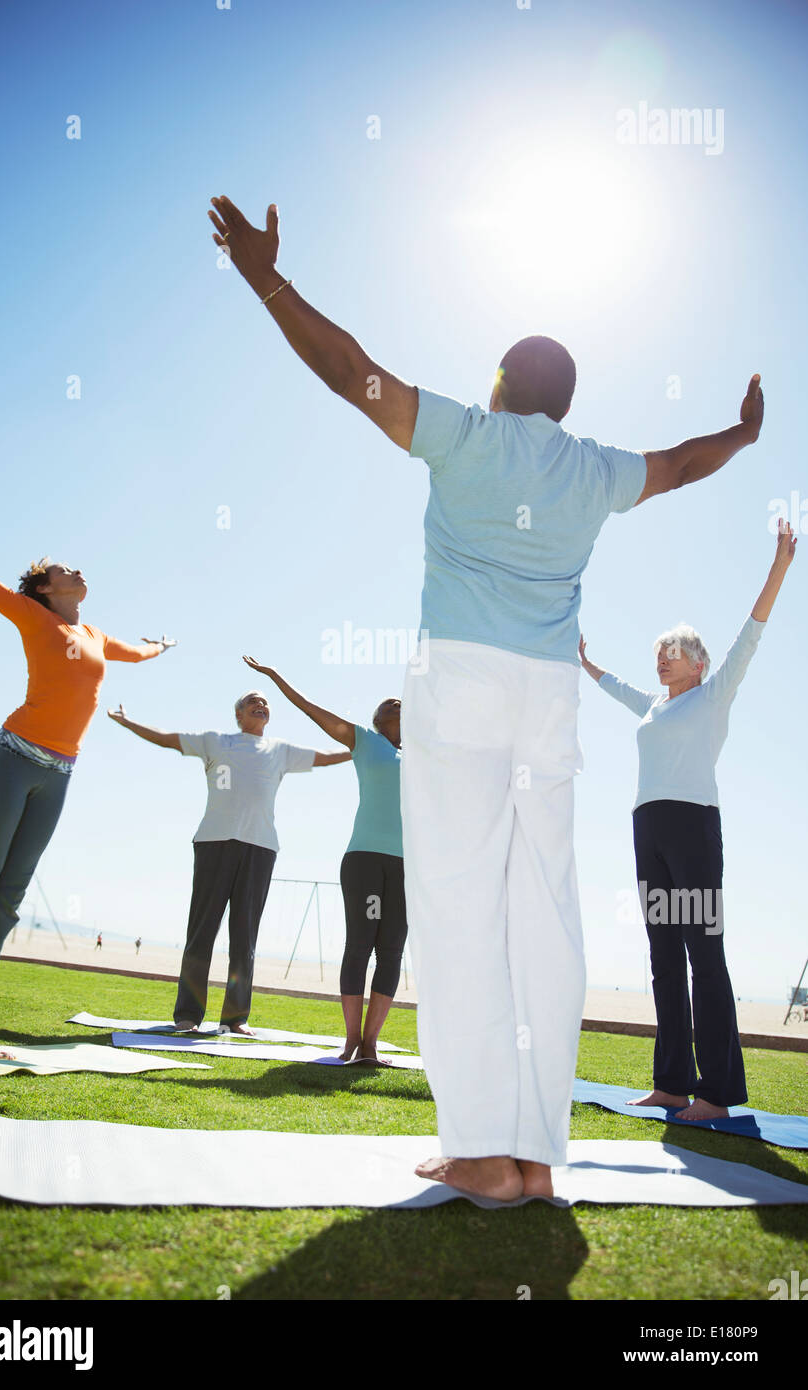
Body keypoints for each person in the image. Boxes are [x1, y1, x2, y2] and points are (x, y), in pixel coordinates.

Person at [207, 193, 765, 1198]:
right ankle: (534, 1158)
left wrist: (264, 278)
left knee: (461, 913)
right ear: (561, 400)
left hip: (461, 687)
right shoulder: (594, 469)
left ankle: (477, 1151)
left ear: (501, 382)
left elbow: (351, 372)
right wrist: (744, 431)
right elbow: (682, 464)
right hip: (545, 700)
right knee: (542, 916)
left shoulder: (462, 433)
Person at [579, 520, 795, 1121]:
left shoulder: (714, 692)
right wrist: (587, 665)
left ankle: (718, 1092)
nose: (661, 663)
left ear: (697, 663)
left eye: (671, 655)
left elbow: (751, 634)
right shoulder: (652, 707)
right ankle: (673, 1083)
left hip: (694, 829)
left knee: (705, 955)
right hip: (648, 829)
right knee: (664, 959)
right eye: (658, 657)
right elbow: (620, 688)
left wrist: (779, 564)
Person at [0, 541, 173, 1061]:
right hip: (13, 758)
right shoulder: (30, 615)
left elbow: (134, 653)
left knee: (7, 901)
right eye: (64, 569)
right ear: (46, 587)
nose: (77, 569)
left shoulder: (93, 634)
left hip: (59, 773)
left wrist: (161, 646)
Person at [109, 691, 350, 1034]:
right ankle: (188, 1016)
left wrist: (362, 750)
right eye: (253, 701)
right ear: (238, 715)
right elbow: (165, 739)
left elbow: (326, 757)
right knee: (201, 932)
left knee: (244, 937)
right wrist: (128, 721)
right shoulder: (215, 741)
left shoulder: (280, 751)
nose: (261, 704)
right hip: (214, 843)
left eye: (265, 702)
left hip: (260, 847)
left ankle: (235, 1019)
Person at [243, 656, 404, 1064]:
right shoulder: (365, 741)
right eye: (390, 704)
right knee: (360, 945)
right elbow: (311, 709)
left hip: (406, 866)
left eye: (403, 703)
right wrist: (275, 675)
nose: (397, 704)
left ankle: (371, 1043)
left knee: (392, 951)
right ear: (377, 718)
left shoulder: (424, 754)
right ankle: (352, 1039)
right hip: (365, 858)